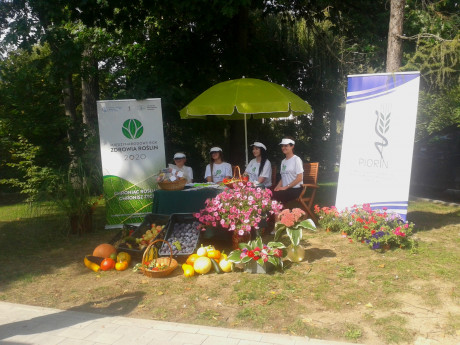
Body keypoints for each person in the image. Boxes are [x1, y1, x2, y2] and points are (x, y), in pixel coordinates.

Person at [273, 137, 304, 205]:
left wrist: (286, 187)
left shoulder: (296, 159)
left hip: (295, 189)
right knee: (271, 193)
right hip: (285, 189)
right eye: (282, 146)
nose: (283, 148)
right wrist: (277, 187)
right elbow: (283, 178)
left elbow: (299, 178)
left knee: (277, 196)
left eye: (286, 146)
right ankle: (276, 214)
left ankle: (278, 214)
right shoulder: (283, 161)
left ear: (292, 146)